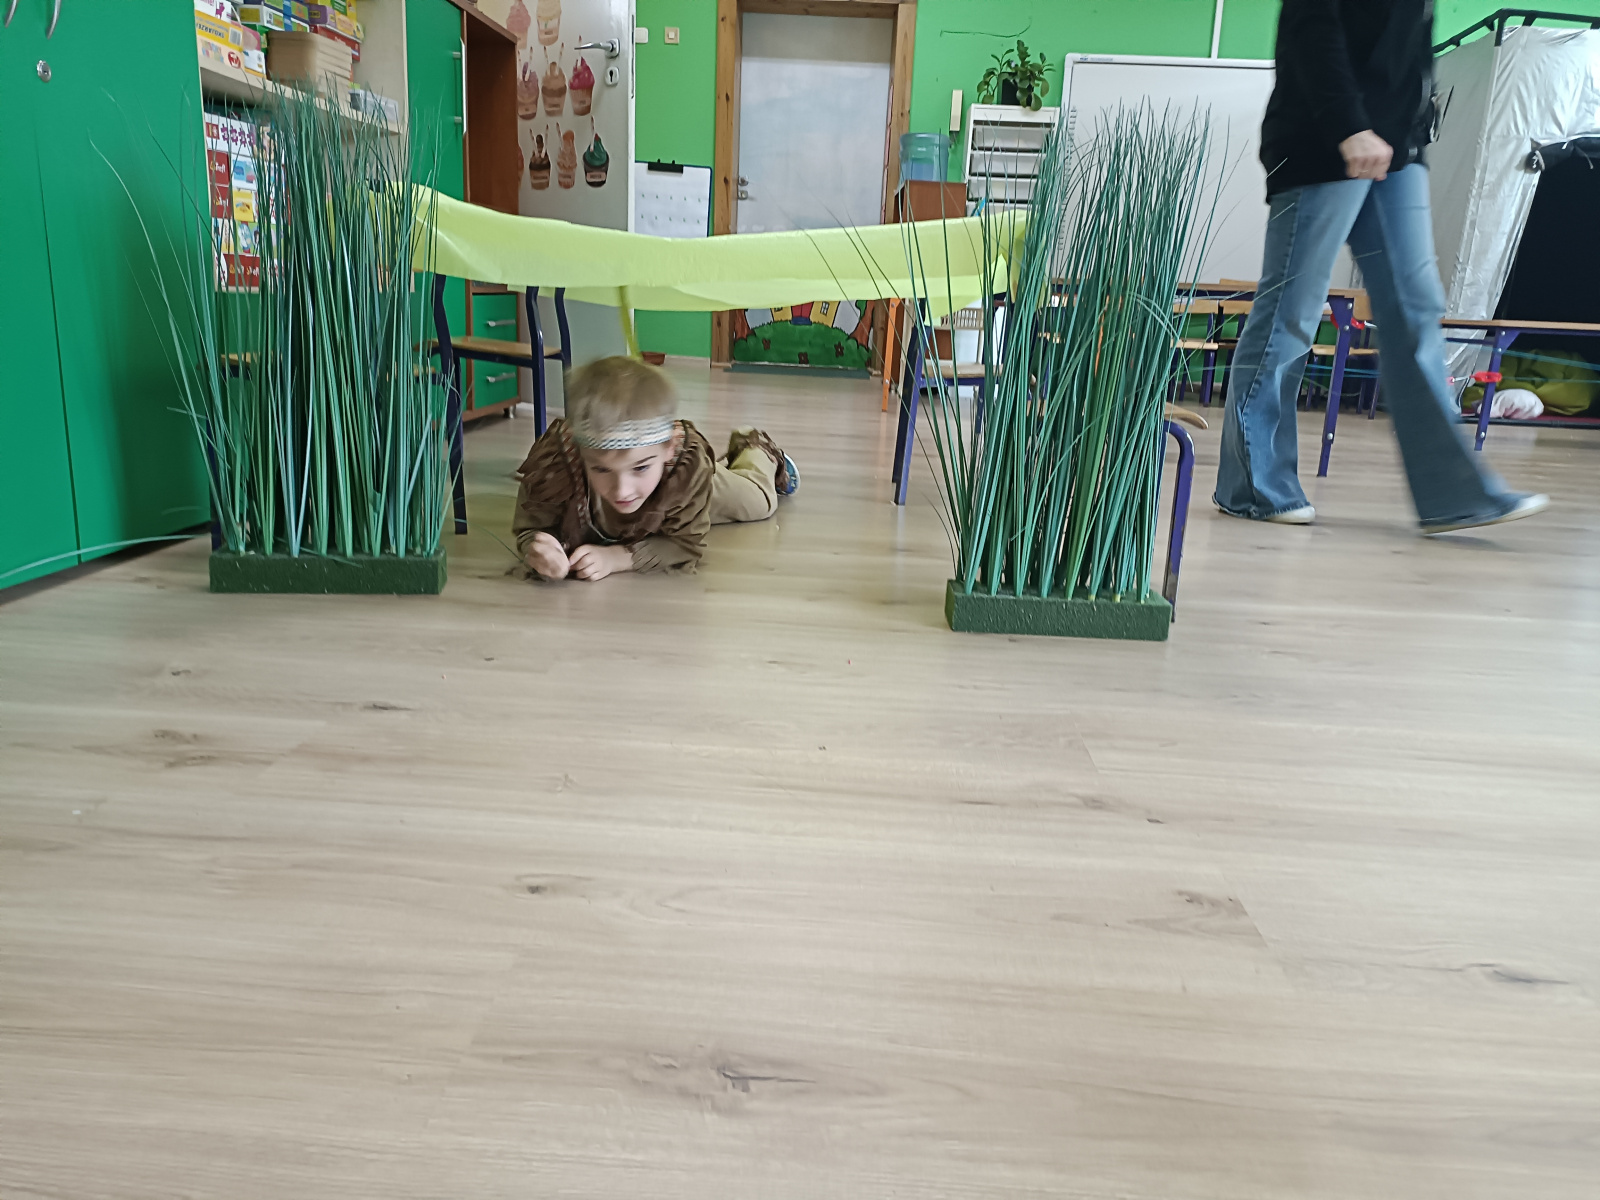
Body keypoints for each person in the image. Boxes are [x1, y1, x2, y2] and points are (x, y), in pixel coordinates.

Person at [1214, 0, 1548, 534]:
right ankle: (1253, 488)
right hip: (1322, 142)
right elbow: (1311, 25)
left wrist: (1413, 133)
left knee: (1416, 312)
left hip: (1398, 151)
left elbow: (1407, 55)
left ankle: (1453, 494)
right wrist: (1348, 125)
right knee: (1291, 312)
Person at [513, 356, 799, 580]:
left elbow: (685, 544)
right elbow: (531, 528)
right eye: (601, 469)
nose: (622, 490)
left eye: (639, 468)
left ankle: (755, 448)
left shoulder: (684, 469)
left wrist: (617, 558)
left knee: (758, 502)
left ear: (669, 448)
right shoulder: (557, 462)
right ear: (580, 453)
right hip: (653, 484)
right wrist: (541, 551)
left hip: (672, 489)